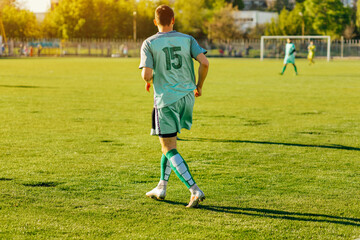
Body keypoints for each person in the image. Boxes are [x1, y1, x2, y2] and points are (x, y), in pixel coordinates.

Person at [139, 5, 209, 208]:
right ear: (173, 20)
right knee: (169, 144)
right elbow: (204, 63)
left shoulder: (149, 43)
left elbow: (146, 74)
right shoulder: (188, 39)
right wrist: (199, 86)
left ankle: (194, 190)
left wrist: (148, 78)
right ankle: (161, 186)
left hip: (166, 99)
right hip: (187, 97)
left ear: (155, 22)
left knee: (168, 146)